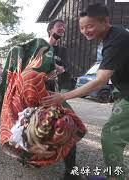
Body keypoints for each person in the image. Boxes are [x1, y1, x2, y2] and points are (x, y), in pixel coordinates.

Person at [42, 3, 129, 180]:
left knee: (110, 136)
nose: (85, 31)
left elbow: (100, 79)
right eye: (82, 27)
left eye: (89, 26)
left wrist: (63, 96)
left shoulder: (116, 39)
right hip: (123, 92)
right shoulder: (110, 38)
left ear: (105, 21)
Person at [46, 19, 81, 180]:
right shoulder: (40, 46)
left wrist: (59, 69)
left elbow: (65, 68)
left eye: (64, 28)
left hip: (55, 93)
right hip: (35, 93)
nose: (62, 29)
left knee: (69, 124)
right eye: (59, 27)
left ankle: (70, 171)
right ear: (50, 29)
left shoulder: (63, 50)